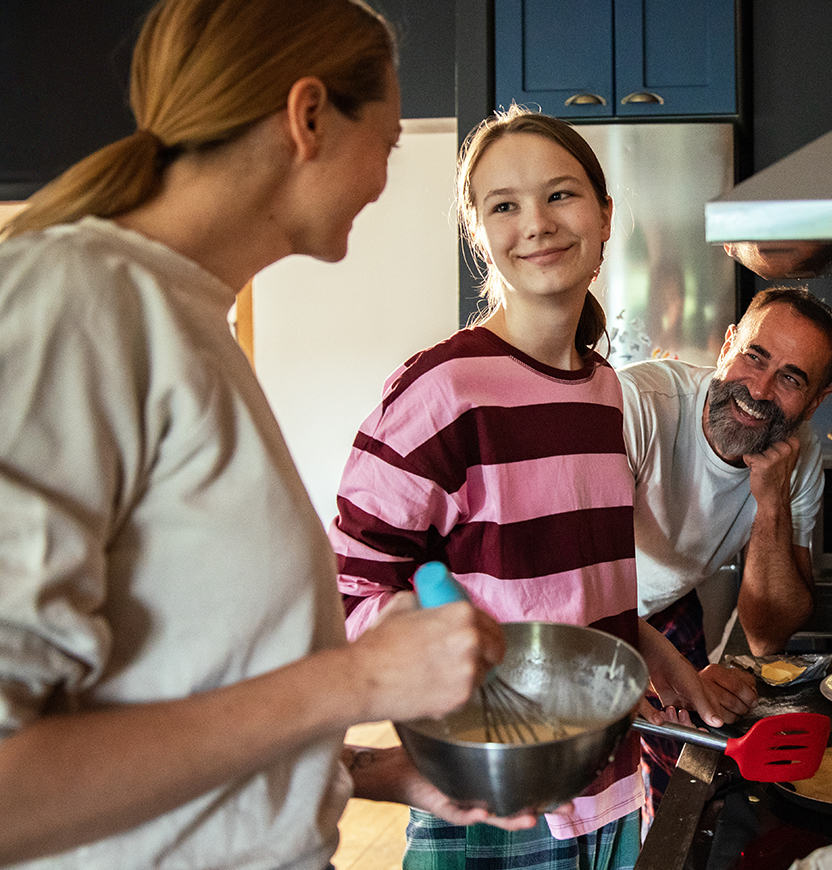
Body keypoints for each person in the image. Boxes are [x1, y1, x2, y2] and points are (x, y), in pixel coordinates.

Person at [0, 1, 526, 867]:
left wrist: (369, 772)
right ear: (308, 116)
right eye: (390, 143)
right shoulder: (75, 303)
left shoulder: (184, 316)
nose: (383, 180)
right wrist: (362, 678)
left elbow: (172, 689)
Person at [328, 107, 745, 870]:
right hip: (491, 796)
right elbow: (349, 588)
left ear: (605, 216)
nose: (537, 224)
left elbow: (563, 581)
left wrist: (654, 652)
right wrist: (438, 667)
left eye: (561, 195)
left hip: (608, 785)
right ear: (478, 233)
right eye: (504, 206)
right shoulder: (444, 391)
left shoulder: (603, 390)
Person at [617, 285, 832, 802]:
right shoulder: (637, 406)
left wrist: (772, 504)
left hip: (665, 602)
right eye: (754, 356)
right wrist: (641, 669)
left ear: (816, 401)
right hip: (580, 606)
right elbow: (566, 574)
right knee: (595, 774)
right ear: (727, 346)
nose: (760, 389)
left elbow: (768, 635)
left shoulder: (799, 455)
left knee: (692, 781)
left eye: (790, 378)